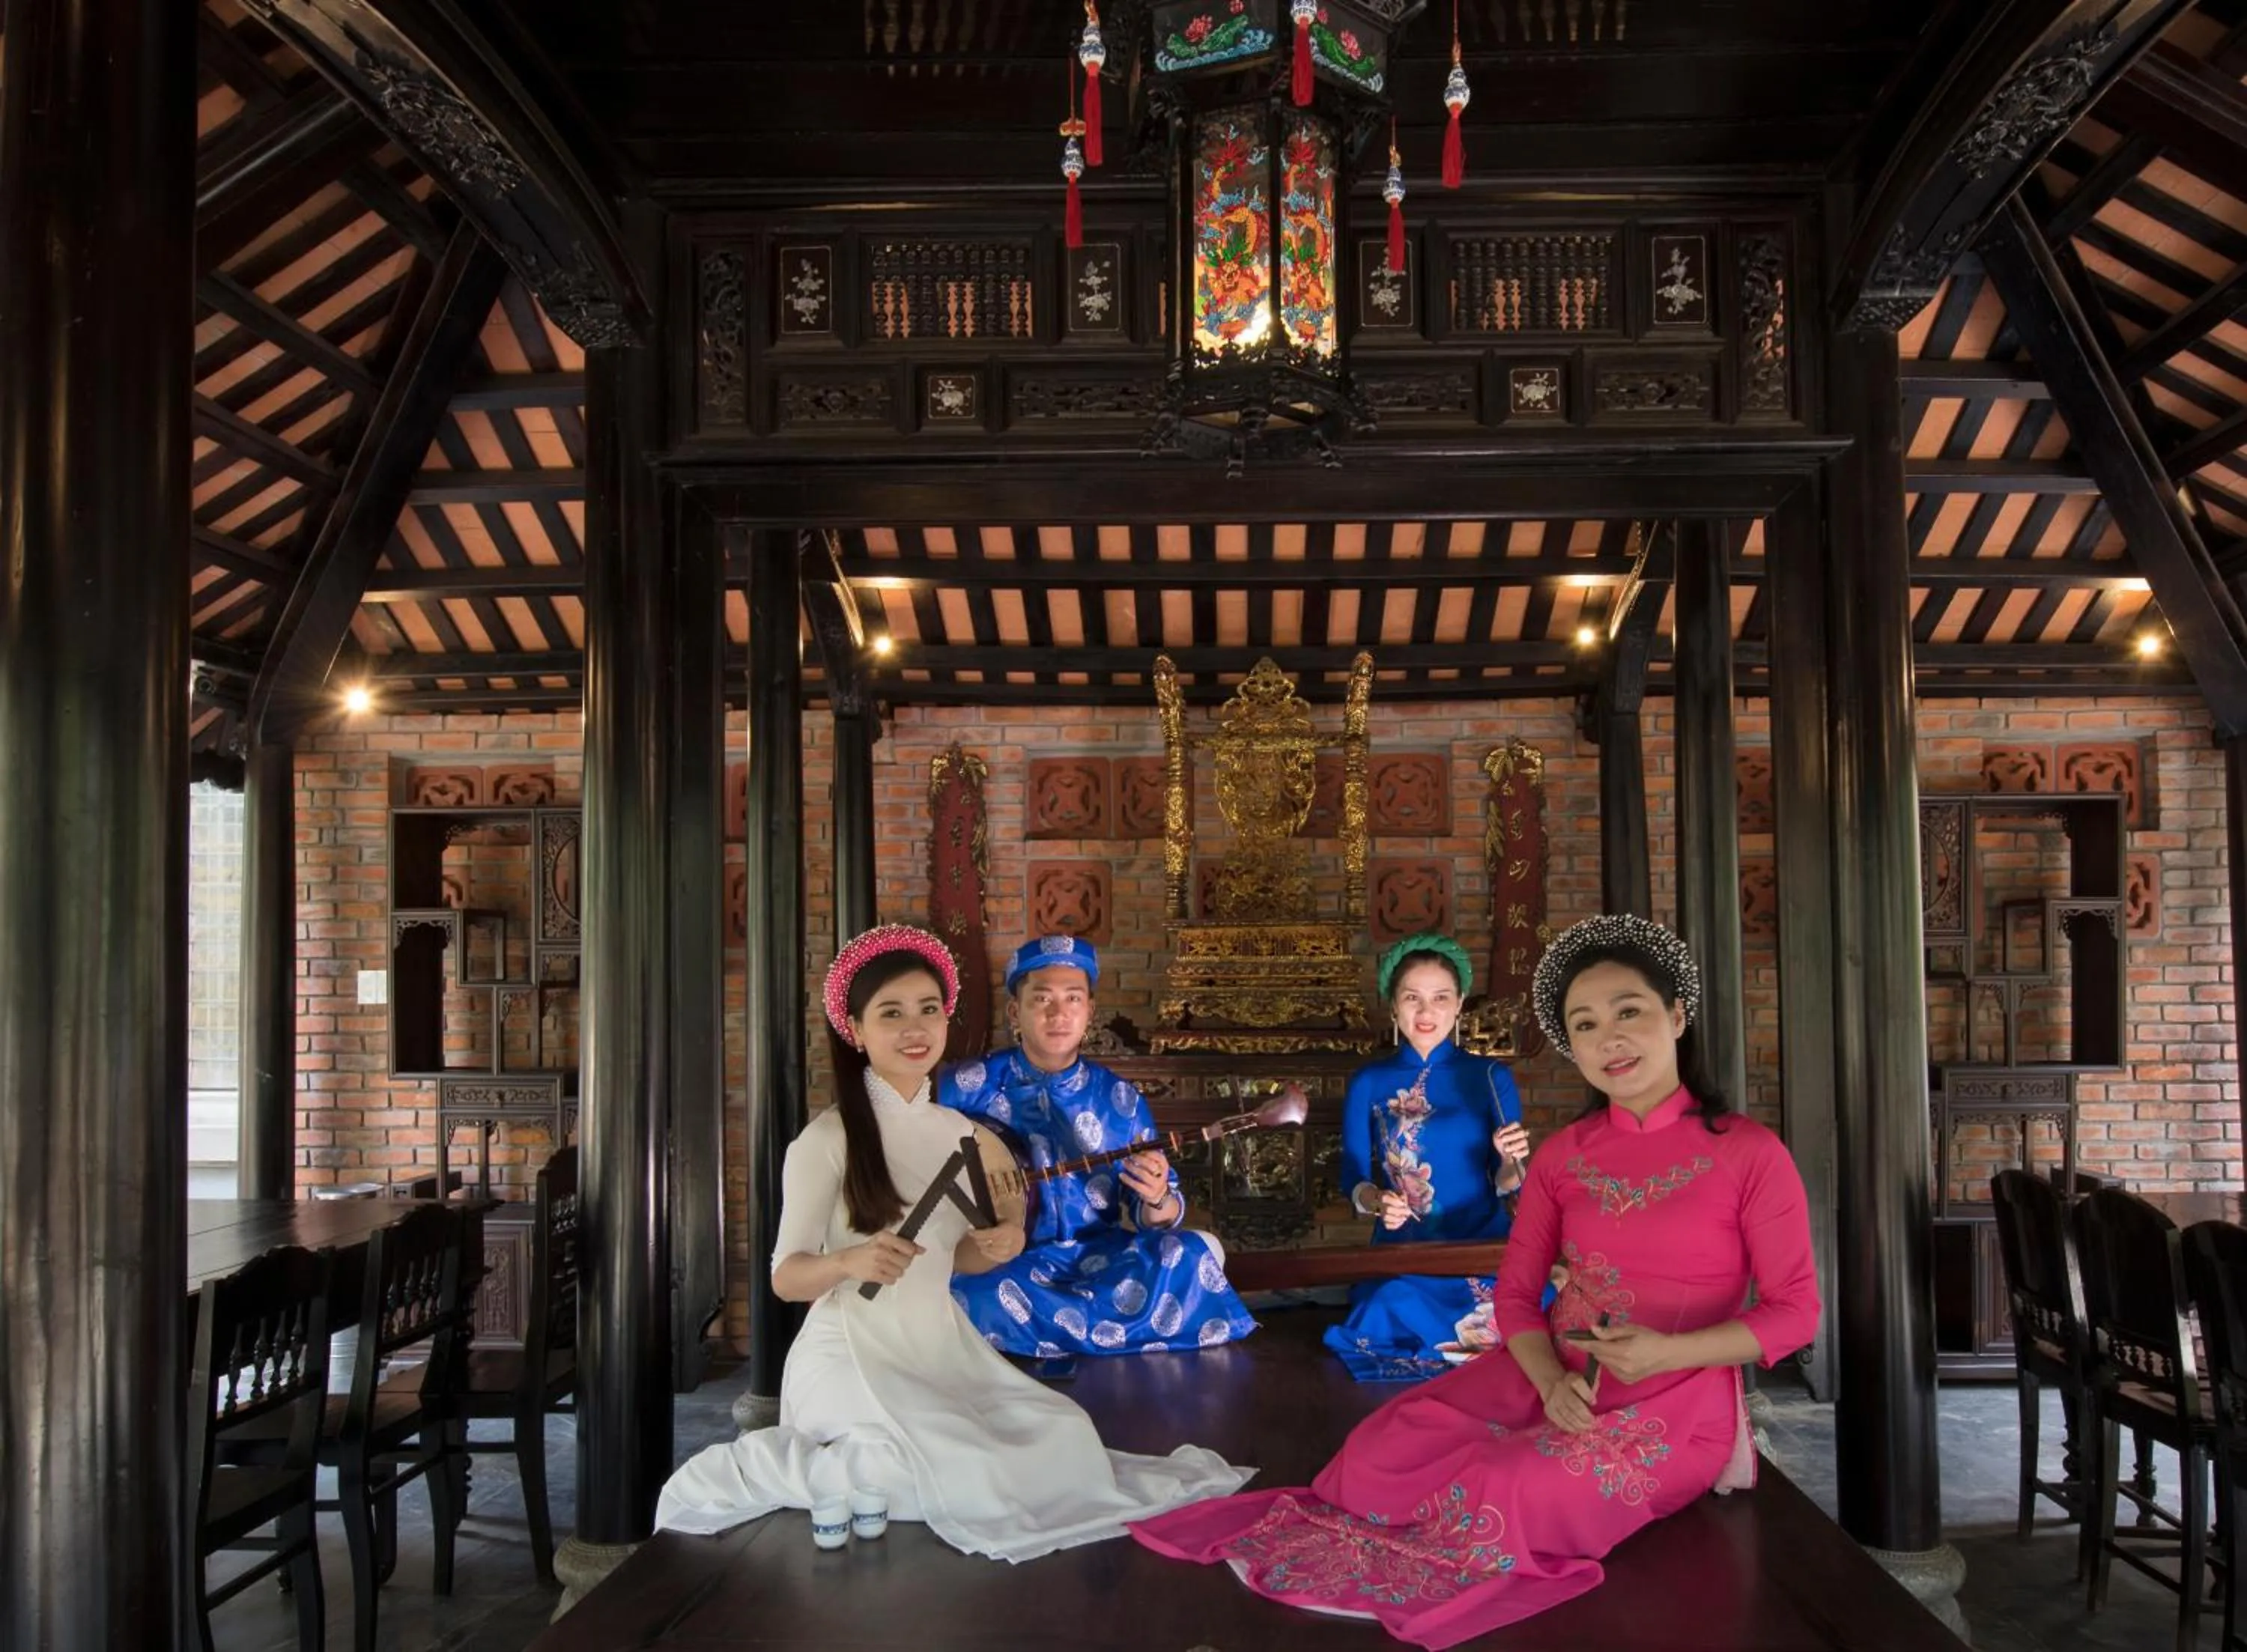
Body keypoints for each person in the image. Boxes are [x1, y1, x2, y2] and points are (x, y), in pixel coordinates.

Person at [1129, 914, 1820, 1648]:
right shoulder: (1566, 1156)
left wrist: (1664, 1353)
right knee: (1377, 1451)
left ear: (1676, 1016)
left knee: (1505, 1484)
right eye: (1585, 1024)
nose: (1610, 1039)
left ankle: (1645, 1465)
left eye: (1629, 1013)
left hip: (1675, 1401)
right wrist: (1549, 1381)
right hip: (1552, 1372)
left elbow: (1797, 1313)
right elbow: (1517, 1296)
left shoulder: (1749, 1154)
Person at [656, 924, 1250, 1561]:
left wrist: (1000, 1242)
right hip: (853, 1347)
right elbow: (785, 1278)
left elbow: (957, 1253)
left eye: (929, 1010)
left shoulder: (963, 1132)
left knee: (1063, 1434)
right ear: (855, 1029)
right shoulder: (827, 1139)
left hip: (940, 1342)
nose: (915, 1028)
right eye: (892, 1013)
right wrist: (851, 1260)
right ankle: (777, 1468)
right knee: (931, 1466)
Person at [941, 934, 1257, 1357]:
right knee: (970, 1289)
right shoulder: (967, 1085)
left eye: (1073, 999)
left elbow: (1159, 1216)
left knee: (1194, 1251)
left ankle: (1049, 1335)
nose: (1059, 1014)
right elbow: (912, 1164)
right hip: (1010, 1262)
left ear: (1090, 1010)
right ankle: (1110, 1336)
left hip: (1102, 1259)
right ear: (1016, 1011)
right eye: (1042, 999)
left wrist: (1157, 1195)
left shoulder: (1121, 1099)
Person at [1323, 932, 1532, 1380]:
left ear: (1459, 1005)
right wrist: (1378, 1201)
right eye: (1412, 998)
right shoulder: (1368, 1082)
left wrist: (1510, 1159)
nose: (1426, 1012)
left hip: (1481, 1248)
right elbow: (1353, 1177)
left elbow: (1509, 1182)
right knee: (1386, 1306)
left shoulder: (1490, 1076)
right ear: (1393, 1006)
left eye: (1440, 998)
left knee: (1524, 1313)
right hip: (1404, 1253)